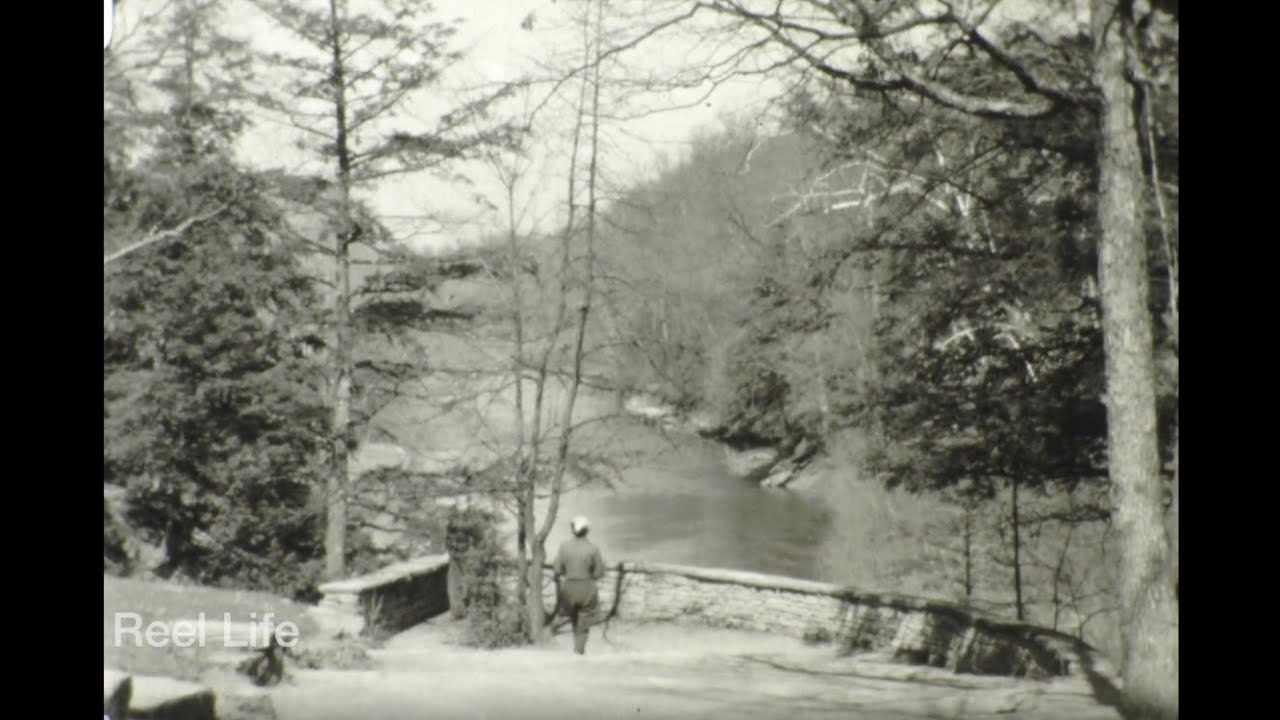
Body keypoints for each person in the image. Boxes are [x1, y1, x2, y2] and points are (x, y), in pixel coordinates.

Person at [553, 515, 606, 655]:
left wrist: (568, 571)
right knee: (585, 621)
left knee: (574, 619)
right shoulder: (593, 548)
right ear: (587, 530)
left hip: (569, 587)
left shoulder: (564, 547)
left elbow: (557, 569)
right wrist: (590, 575)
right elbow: (599, 572)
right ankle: (579, 650)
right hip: (586, 587)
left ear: (572, 530)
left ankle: (577, 648)